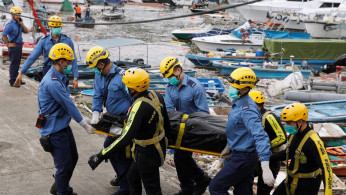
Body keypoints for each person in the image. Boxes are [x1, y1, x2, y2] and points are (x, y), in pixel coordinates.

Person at [88, 68, 171, 195]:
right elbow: (166, 122)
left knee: (153, 189)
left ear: (133, 89)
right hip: (156, 147)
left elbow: (125, 137)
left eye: (127, 86)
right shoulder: (156, 95)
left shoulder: (138, 107)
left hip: (147, 154)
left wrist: (100, 156)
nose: (126, 88)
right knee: (132, 177)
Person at [37, 43, 94, 195]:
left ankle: (60, 185)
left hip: (62, 125)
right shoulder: (53, 82)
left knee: (73, 158)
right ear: (61, 62)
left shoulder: (59, 76)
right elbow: (68, 104)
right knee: (64, 165)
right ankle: (62, 191)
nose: (70, 65)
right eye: (69, 62)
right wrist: (84, 124)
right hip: (54, 129)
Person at [209, 67, 275, 195]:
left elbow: (260, 136)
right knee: (243, 191)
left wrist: (265, 166)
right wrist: (229, 145)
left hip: (243, 157)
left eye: (234, 87)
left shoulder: (247, 109)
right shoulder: (237, 103)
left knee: (216, 187)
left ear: (245, 89)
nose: (230, 89)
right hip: (242, 154)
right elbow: (237, 129)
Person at [160, 57, 211, 195]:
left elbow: (204, 114)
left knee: (181, 157)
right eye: (167, 77)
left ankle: (195, 182)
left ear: (178, 70)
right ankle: (194, 183)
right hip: (178, 127)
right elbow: (170, 110)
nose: (169, 79)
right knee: (180, 157)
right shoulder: (170, 87)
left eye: (170, 76)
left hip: (194, 128)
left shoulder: (196, 87)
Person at [86, 46, 133, 195]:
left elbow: (134, 100)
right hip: (112, 120)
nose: (94, 70)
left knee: (122, 153)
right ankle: (122, 176)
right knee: (109, 149)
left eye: (94, 67)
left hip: (125, 121)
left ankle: (126, 188)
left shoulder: (123, 77)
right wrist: (95, 113)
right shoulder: (99, 75)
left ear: (101, 64)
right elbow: (98, 95)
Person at [271, 103, 333, 195]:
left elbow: (326, 168)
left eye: (289, 123)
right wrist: (267, 157)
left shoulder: (314, 141)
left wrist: (328, 193)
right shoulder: (293, 135)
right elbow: (288, 153)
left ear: (300, 121)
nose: (287, 126)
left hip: (307, 187)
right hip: (290, 182)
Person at [14, 15, 79, 89]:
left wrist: (75, 77)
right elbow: (32, 57)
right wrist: (21, 72)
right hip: (49, 69)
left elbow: (73, 59)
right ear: (50, 28)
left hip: (63, 69)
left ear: (61, 27)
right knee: (49, 91)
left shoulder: (67, 40)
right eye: (54, 27)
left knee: (63, 91)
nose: (56, 29)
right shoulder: (44, 41)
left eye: (58, 27)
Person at [249, 91, 287, 195]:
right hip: (258, 157)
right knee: (246, 179)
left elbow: (282, 137)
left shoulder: (269, 117)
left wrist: (264, 147)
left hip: (272, 158)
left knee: (263, 189)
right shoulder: (255, 117)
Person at [2, 6, 29, 87]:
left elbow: (27, 31)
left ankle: (17, 79)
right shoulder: (10, 24)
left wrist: (22, 23)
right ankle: (13, 81)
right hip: (14, 46)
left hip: (19, 46)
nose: (18, 16)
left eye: (19, 14)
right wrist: (8, 44)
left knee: (17, 64)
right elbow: (4, 35)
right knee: (14, 64)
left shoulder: (18, 23)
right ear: (12, 15)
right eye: (17, 14)